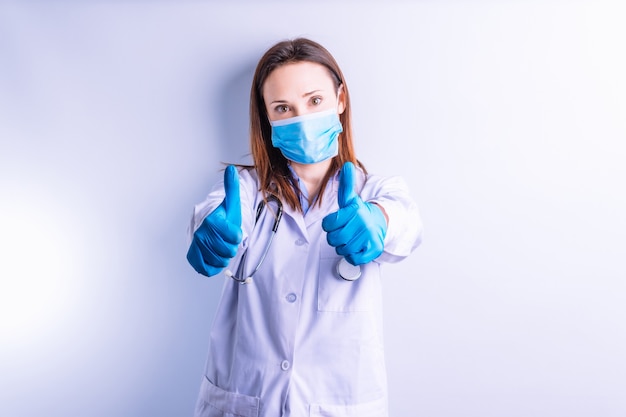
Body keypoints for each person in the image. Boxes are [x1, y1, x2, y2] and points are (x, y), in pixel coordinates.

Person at [186, 37, 423, 417]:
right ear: (267, 119)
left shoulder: (377, 191)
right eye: (283, 108)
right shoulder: (245, 191)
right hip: (245, 400)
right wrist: (211, 233)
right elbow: (217, 217)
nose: (302, 119)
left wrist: (379, 221)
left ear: (340, 100)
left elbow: (406, 223)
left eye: (314, 101)